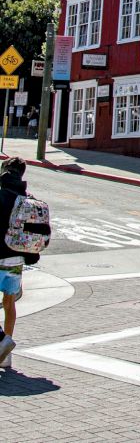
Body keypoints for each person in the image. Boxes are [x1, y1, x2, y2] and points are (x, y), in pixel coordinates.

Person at [0, 157, 41, 367]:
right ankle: (6, 356)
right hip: (16, 257)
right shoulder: (26, 198)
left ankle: (2, 342)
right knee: (9, 303)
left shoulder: (2, 195)